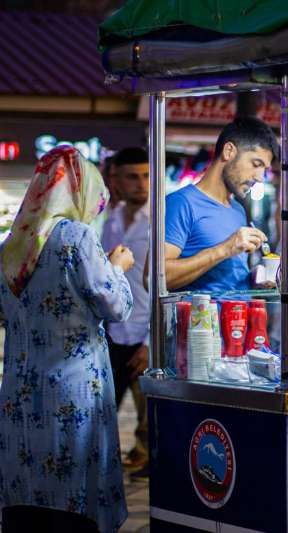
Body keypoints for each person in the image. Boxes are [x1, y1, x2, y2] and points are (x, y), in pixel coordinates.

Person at [0, 147, 134, 532]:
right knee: (73, 497)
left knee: (29, 496)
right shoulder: (76, 238)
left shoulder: (13, 245)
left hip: (18, 397)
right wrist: (118, 266)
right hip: (71, 395)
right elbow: (116, 305)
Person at [165, 117, 277, 292]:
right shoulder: (181, 203)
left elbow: (225, 279)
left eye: (265, 169)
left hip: (239, 317)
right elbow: (155, 279)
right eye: (256, 164)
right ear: (229, 151)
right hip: (201, 319)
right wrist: (226, 248)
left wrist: (255, 279)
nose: (260, 177)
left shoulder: (237, 210)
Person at [101, 147, 151, 479]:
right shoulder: (109, 219)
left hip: (146, 331)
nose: (141, 184)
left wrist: (150, 341)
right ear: (116, 179)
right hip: (111, 330)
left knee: (151, 418)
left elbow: (167, 287)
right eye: (132, 176)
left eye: (146, 176)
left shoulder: (161, 218)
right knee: (104, 410)